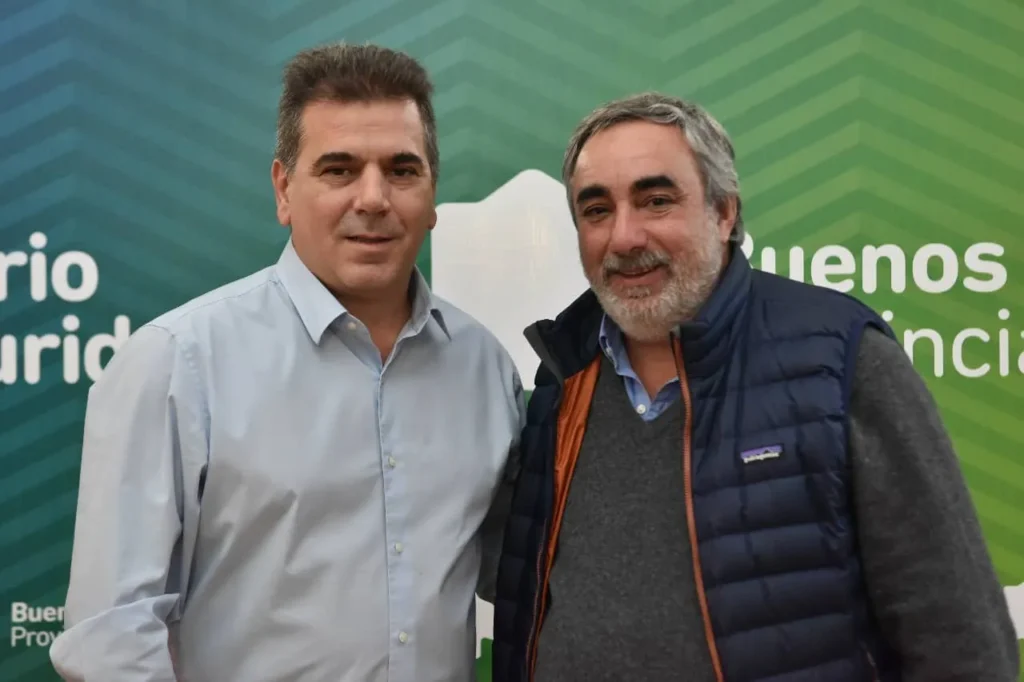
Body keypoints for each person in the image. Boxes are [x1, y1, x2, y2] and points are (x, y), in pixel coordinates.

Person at [491, 92, 1019, 682]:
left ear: (724, 213)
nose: (624, 237)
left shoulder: (840, 359)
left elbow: (958, 636)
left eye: (656, 200)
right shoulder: (562, 379)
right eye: (596, 210)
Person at [49, 42, 524, 682]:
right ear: (283, 190)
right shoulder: (176, 364)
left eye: (402, 170)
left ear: (432, 191)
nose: (373, 198)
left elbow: (526, 584)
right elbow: (110, 637)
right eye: (339, 169)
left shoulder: (486, 370)